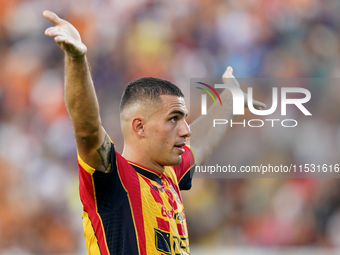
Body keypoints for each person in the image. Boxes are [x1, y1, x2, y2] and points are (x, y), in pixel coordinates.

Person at [43, 10, 265, 255]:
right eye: (173, 119)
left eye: (183, 118)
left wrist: (229, 102)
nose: (185, 129)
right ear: (139, 127)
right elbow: (87, 130)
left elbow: (200, 145)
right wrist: (77, 61)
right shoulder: (114, 179)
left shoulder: (168, 174)